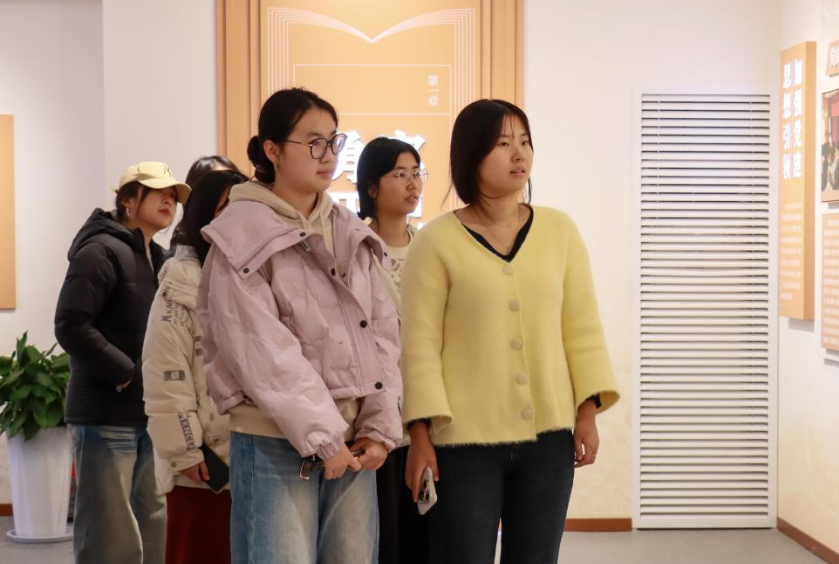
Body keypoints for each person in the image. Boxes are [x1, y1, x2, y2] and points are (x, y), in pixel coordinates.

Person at [402, 99, 620, 564]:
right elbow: (419, 346)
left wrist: (587, 413)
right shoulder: (435, 241)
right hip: (462, 444)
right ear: (471, 156)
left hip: (549, 441)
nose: (519, 154)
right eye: (502, 144)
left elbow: (582, 328)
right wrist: (419, 436)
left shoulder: (560, 231)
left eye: (524, 142)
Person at [197, 87, 403, 564]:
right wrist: (324, 438)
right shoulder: (239, 234)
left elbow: (382, 333)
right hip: (274, 440)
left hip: (353, 441)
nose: (328, 155)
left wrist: (378, 427)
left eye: (334, 141)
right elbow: (261, 352)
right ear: (272, 150)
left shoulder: (349, 228)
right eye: (313, 143)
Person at [56, 162, 190, 564]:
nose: (169, 201)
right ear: (128, 200)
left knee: (152, 526)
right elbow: (70, 324)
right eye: (159, 192)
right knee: (109, 538)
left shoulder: (159, 258)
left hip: (150, 415)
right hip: (105, 415)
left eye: (174, 196)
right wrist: (127, 373)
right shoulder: (100, 251)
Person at [142, 166, 248, 564]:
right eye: (226, 208)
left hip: (255, 456)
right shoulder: (180, 283)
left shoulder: (257, 276)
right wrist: (186, 451)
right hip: (204, 467)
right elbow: (165, 375)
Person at [355, 137, 428, 564]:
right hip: (374, 420)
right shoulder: (353, 249)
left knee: (425, 536)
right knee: (383, 539)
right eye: (400, 174)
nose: (412, 184)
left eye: (416, 173)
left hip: (425, 416)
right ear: (372, 187)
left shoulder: (430, 249)